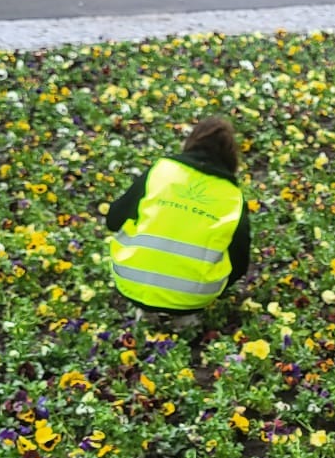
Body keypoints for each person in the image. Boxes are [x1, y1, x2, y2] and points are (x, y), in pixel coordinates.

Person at [105, 117, 252, 320]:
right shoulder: (232, 196)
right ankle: (185, 317)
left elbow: (113, 220)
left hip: (130, 279)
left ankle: (146, 313)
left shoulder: (162, 171)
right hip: (194, 297)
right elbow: (240, 262)